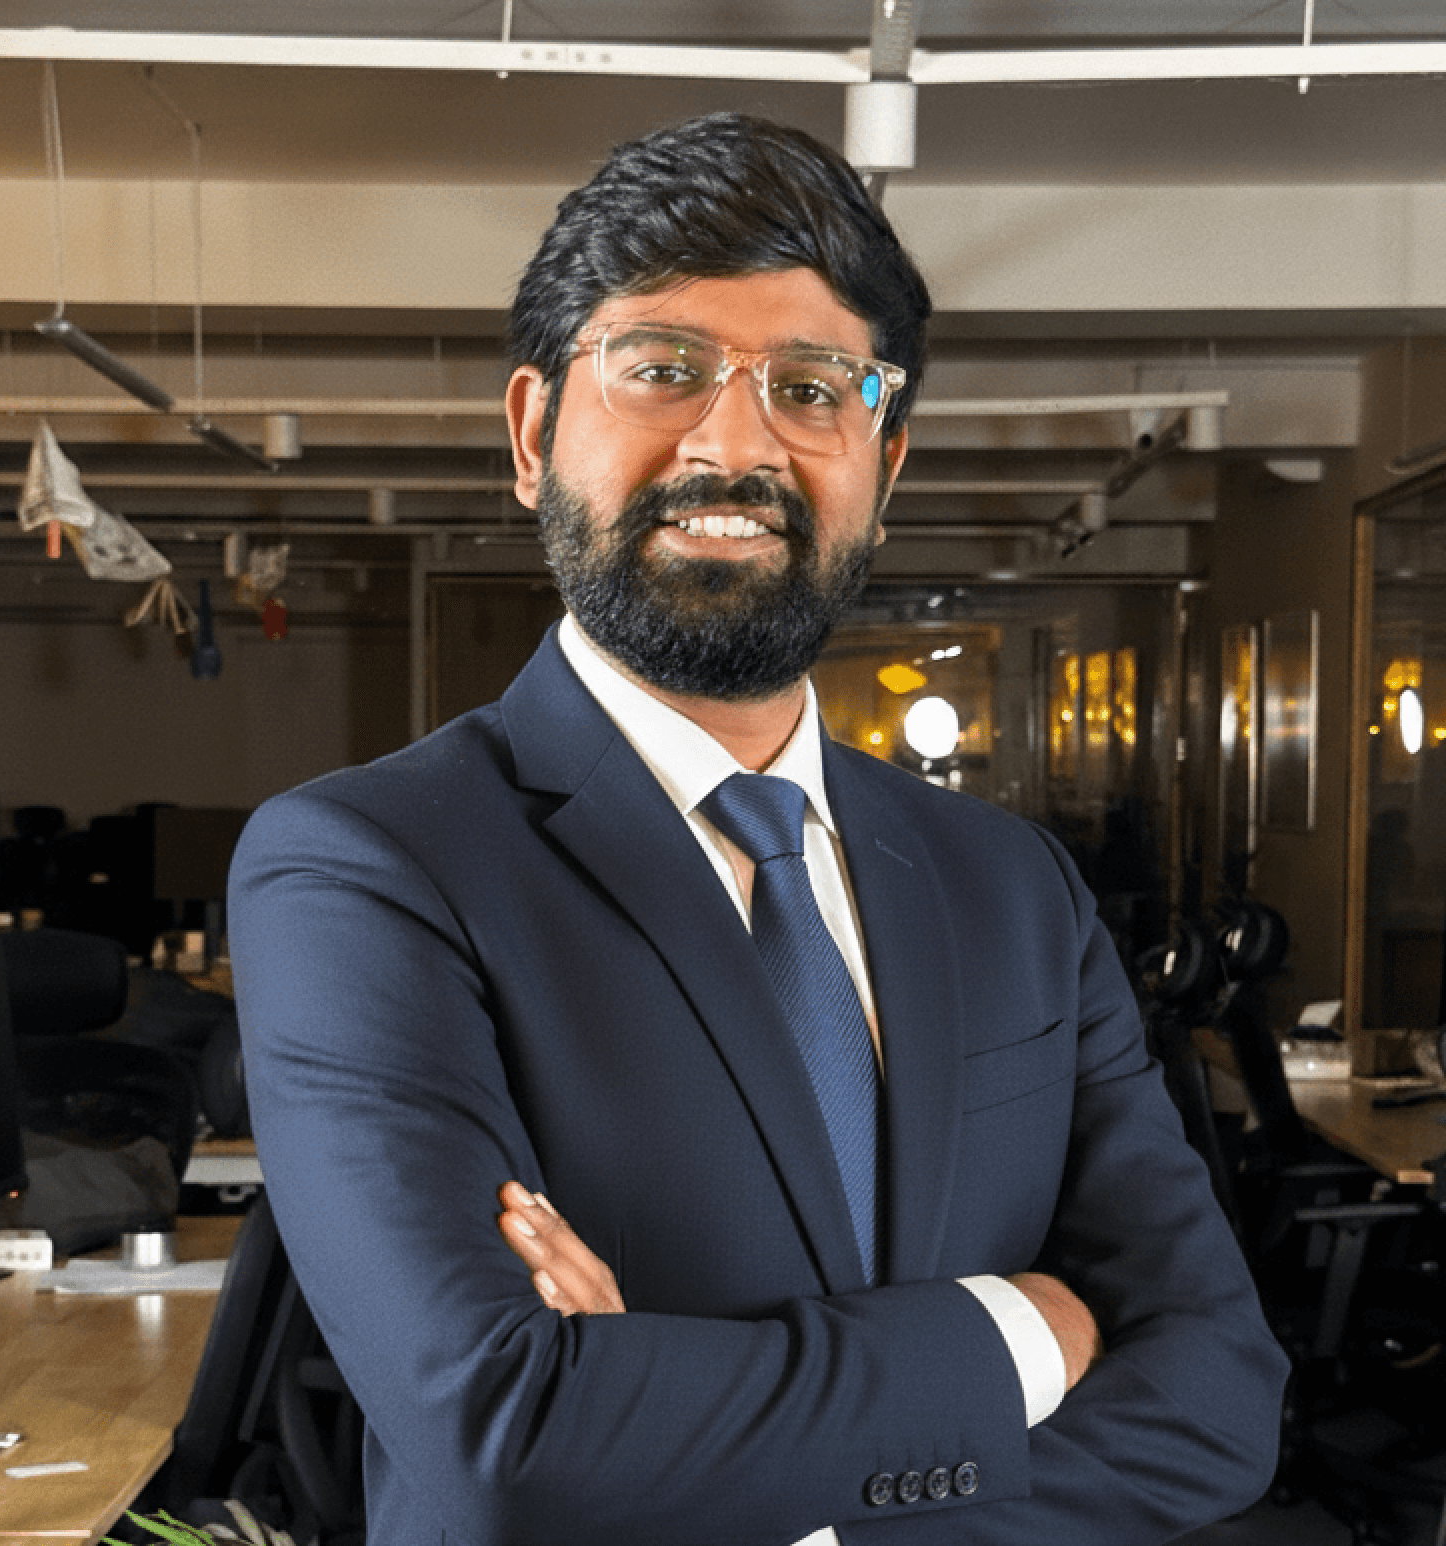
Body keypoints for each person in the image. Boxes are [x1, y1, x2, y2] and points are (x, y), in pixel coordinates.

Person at [229, 112, 1288, 1546]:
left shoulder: (1011, 885)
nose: (735, 441)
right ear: (537, 434)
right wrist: (1023, 1335)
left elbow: (1221, 1392)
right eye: (663, 368)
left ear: (885, 461)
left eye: (811, 385)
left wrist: (719, 1466)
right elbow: (511, 1433)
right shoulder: (367, 870)